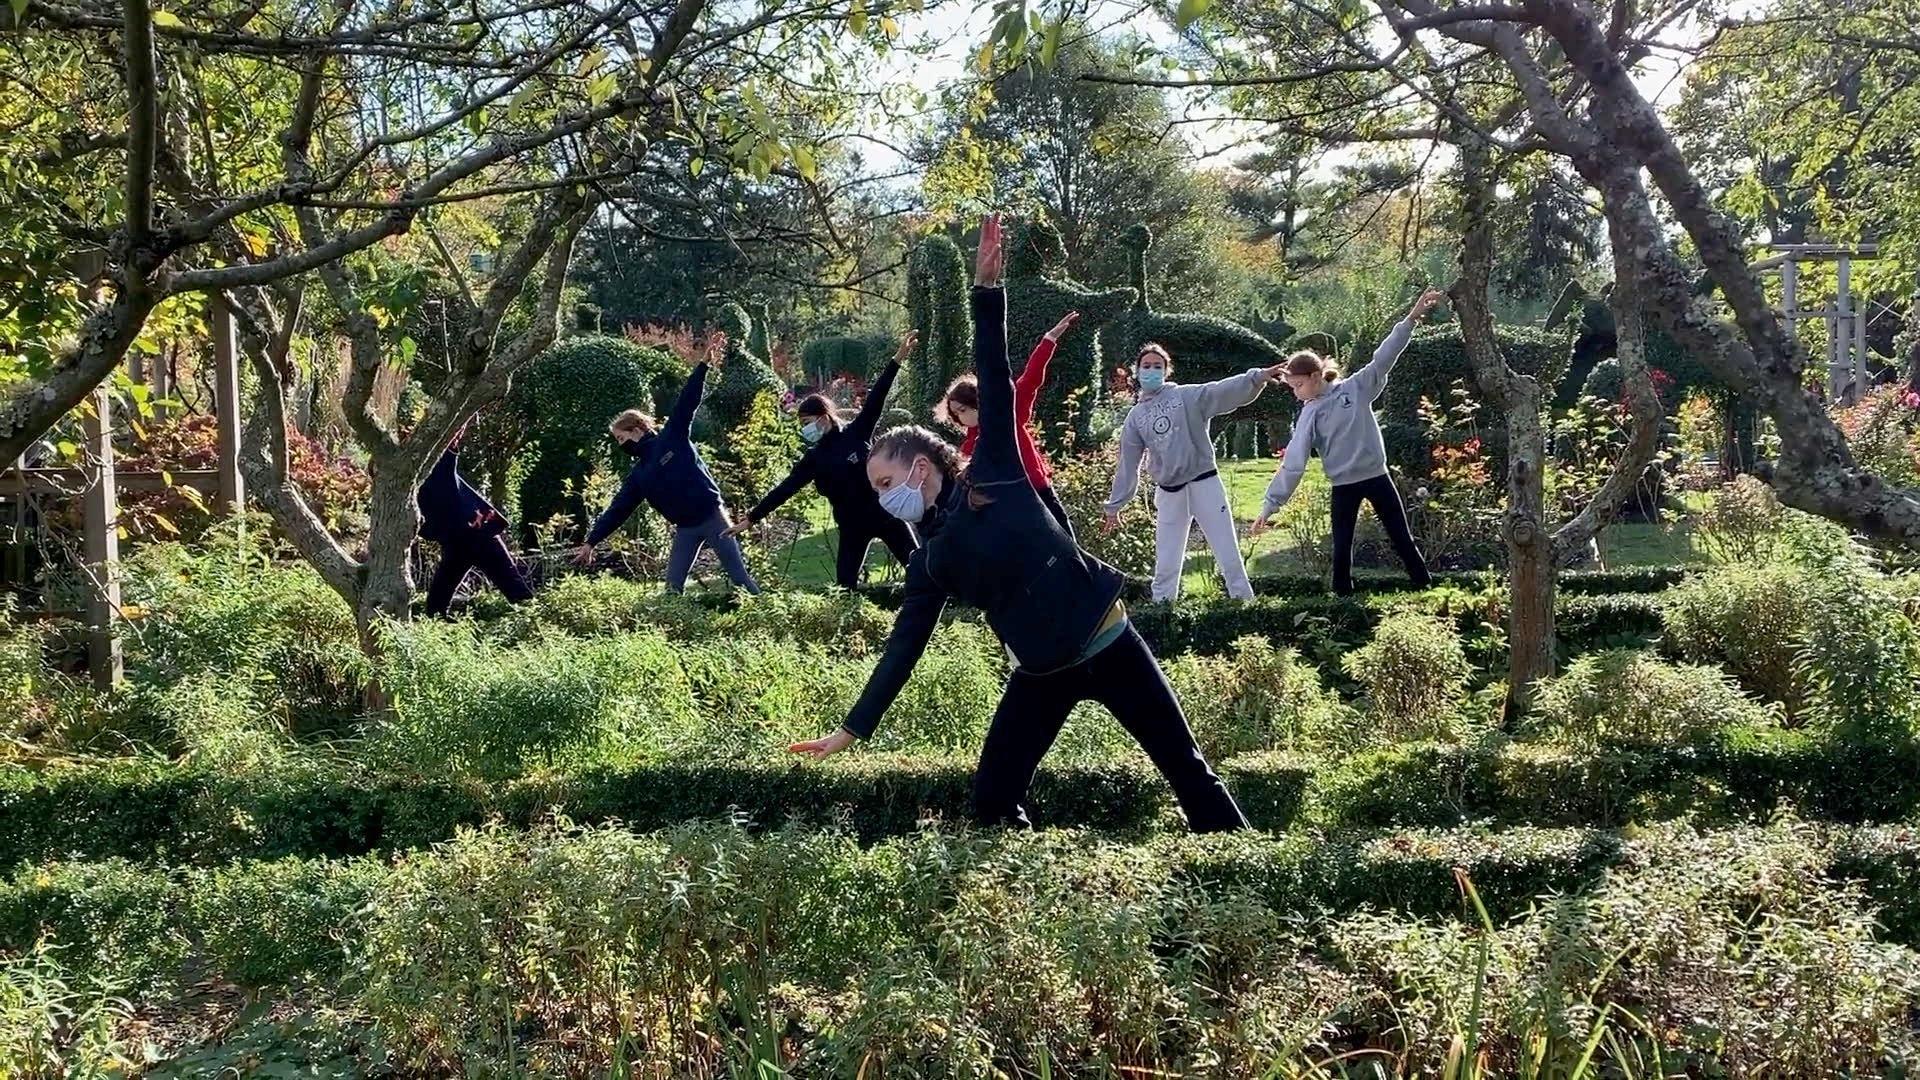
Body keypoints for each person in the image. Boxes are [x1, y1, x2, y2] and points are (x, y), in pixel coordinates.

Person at [788, 214, 1247, 834]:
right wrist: (851, 730)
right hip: (1040, 674)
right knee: (993, 801)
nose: (881, 498)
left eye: (885, 484)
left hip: (1110, 642)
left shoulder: (997, 467)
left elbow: (994, 368)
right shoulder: (929, 561)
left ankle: (1241, 865)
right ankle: (1022, 880)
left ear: (920, 467)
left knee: (1189, 773)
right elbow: (904, 647)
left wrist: (986, 291)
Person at [1253, 288, 1447, 595]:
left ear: (1316, 376)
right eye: (1292, 388)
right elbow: (1293, 463)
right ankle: (1343, 598)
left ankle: (1425, 588)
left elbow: (1383, 358)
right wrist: (1269, 506)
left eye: (1299, 385)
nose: (1296, 393)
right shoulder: (1309, 414)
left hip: (1377, 477)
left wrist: (1411, 318)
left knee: (1401, 537)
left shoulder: (1355, 389)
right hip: (1343, 485)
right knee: (1342, 548)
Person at [725, 333, 921, 588]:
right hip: (852, 526)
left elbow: (877, 398)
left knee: (918, 567)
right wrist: (751, 518)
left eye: (808, 422)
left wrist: (897, 359)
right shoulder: (815, 457)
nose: (806, 429)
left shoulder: (857, 432)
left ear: (824, 416)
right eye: (802, 424)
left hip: (885, 514)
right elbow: (786, 488)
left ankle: (947, 601)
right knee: (845, 587)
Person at [1101, 345, 1287, 602]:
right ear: (1137, 371)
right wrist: (1114, 505)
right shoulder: (1136, 417)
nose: (1152, 371)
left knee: (1227, 552)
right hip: (1169, 493)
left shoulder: (1187, 396)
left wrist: (1256, 377)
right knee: (1166, 561)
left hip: (1204, 484)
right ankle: (1162, 610)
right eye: (1147, 366)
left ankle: (1245, 604)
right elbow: (1128, 463)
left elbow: (1220, 391)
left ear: (1166, 371)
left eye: (1158, 366)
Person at [570, 360, 760, 595]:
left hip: (713, 517)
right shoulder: (640, 474)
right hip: (686, 529)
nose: (620, 445)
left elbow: (687, 402)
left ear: (636, 430)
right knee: (671, 589)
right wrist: (591, 542)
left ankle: (767, 611)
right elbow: (618, 509)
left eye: (621, 438)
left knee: (739, 577)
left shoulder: (672, 437)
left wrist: (703, 365)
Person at [938, 310, 1080, 536]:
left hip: (1038, 489)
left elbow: (1030, 378)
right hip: (1008, 505)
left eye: (963, 410)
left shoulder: (1009, 413)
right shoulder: (969, 447)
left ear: (978, 402)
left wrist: (1049, 340)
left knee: (1067, 543)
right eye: (956, 415)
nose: (961, 418)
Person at [418, 423, 534, 617]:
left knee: (515, 588)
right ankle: (439, 627)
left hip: (480, 534)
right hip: (455, 542)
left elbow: (451, 439)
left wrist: (459, 420)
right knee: (437, 603)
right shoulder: (406, 495)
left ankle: (533, 623)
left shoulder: (437, 468)